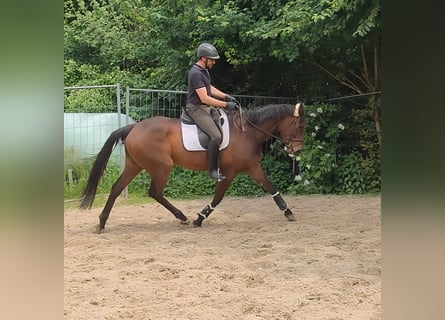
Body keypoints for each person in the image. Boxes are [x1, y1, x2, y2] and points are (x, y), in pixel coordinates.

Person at [186, 42, 238, 181]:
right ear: (203, 58)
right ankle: (212, 170)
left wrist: (225, 95)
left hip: (205, 107)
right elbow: (204, 97)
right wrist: (226, 104)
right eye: (212, 59)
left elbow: (209, 88)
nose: (214, 62)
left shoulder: (204, 71)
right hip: (196, 108)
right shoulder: (195, 73)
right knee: (216, 136)